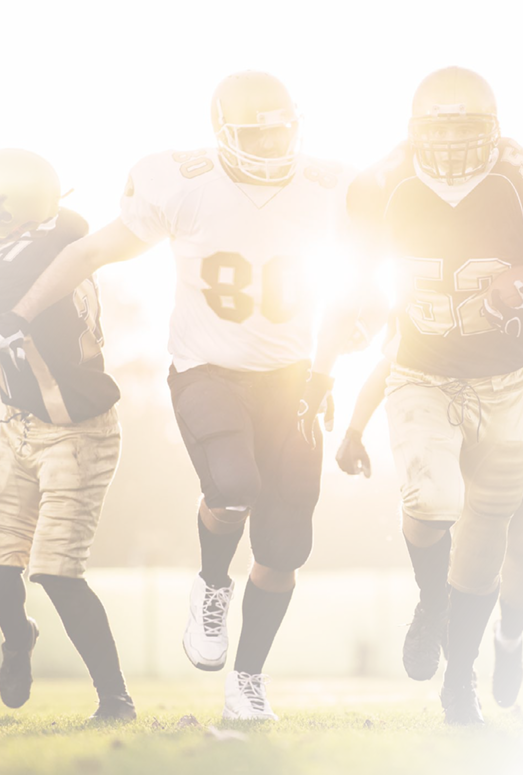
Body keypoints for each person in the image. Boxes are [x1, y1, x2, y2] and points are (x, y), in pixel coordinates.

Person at [0, 72, 359, 719]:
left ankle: (245, 680)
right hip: (206, 370)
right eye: (256, 134)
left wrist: (327, 370)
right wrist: (19, 315)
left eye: (281, 131)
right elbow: (90, 251)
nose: (272, 145)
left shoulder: (331, 185)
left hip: (291, 378)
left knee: (285, 546)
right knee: (233, 485)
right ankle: (212, 583)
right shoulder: (183, 182)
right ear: (223, 134)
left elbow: (363, 281)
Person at [298, 65, 523, 725]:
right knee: (431, 500)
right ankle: (432, 603)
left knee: (487, 537)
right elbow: (348, 287)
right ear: (413, 130)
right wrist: (319, 375)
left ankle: (461, 676)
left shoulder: (515, 177)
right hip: (422, 372)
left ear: (491, 128)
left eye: (465, 128)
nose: (451, 142)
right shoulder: (380, 184)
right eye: (438, 129)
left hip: (510, 381)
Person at [0, 149, 135, 720]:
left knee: (56, 572)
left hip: (77, 435)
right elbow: (68, 224)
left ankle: (115, 697)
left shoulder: (17, 270)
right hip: (17, 425)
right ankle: (19, 639)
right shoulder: (62, 229)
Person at [337, 355, 523, 711]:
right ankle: (460, 675)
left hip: (512, 413)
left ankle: (510, 637)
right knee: (468, 553)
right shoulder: (437, 330)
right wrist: (355, 430)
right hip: (469, 431)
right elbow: (390, 362)